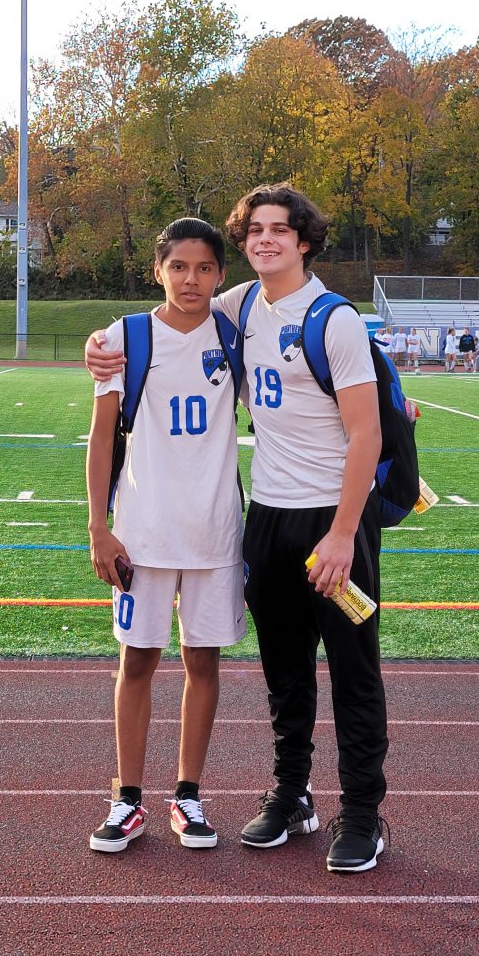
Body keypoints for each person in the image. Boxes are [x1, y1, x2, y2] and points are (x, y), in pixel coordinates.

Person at [87, 183, 388, 874]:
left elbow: (366, 433)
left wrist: (344, 532)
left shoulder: (334, 318)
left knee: (352, 670)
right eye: (255, 229)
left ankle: (365, 813)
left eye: (280, 229)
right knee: (285, 670)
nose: (265, 239)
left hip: (332, 520)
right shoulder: (241, 306)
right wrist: (95, 347)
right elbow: (158, 318)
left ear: (305, 240)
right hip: (266, 519)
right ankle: (293, 793)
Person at [86, 218, 246, 854]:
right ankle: (128, 799)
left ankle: (188, 793)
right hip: (143, 534)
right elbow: (102, 438)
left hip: (214, 532)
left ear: (220, 277)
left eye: (205, 268)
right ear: (159, 270)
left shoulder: (235, 334)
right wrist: (98, 527)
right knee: (139, 660)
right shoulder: (127, 337)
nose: (191, 279)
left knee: (203, 661)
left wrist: (394, 400)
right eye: (179, 266)